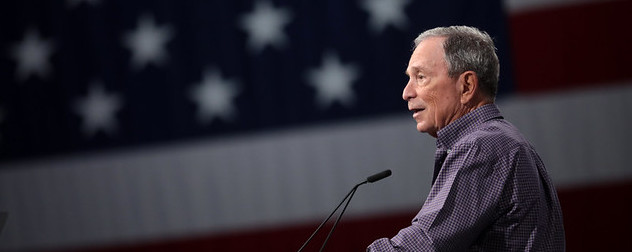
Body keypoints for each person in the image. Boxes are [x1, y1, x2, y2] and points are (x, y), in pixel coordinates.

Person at [367, 26, 565, 251]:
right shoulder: (500, 141)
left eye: (420, 77)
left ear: (467, 86)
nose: (406, 92)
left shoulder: (484, 146)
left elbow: (425, 243)